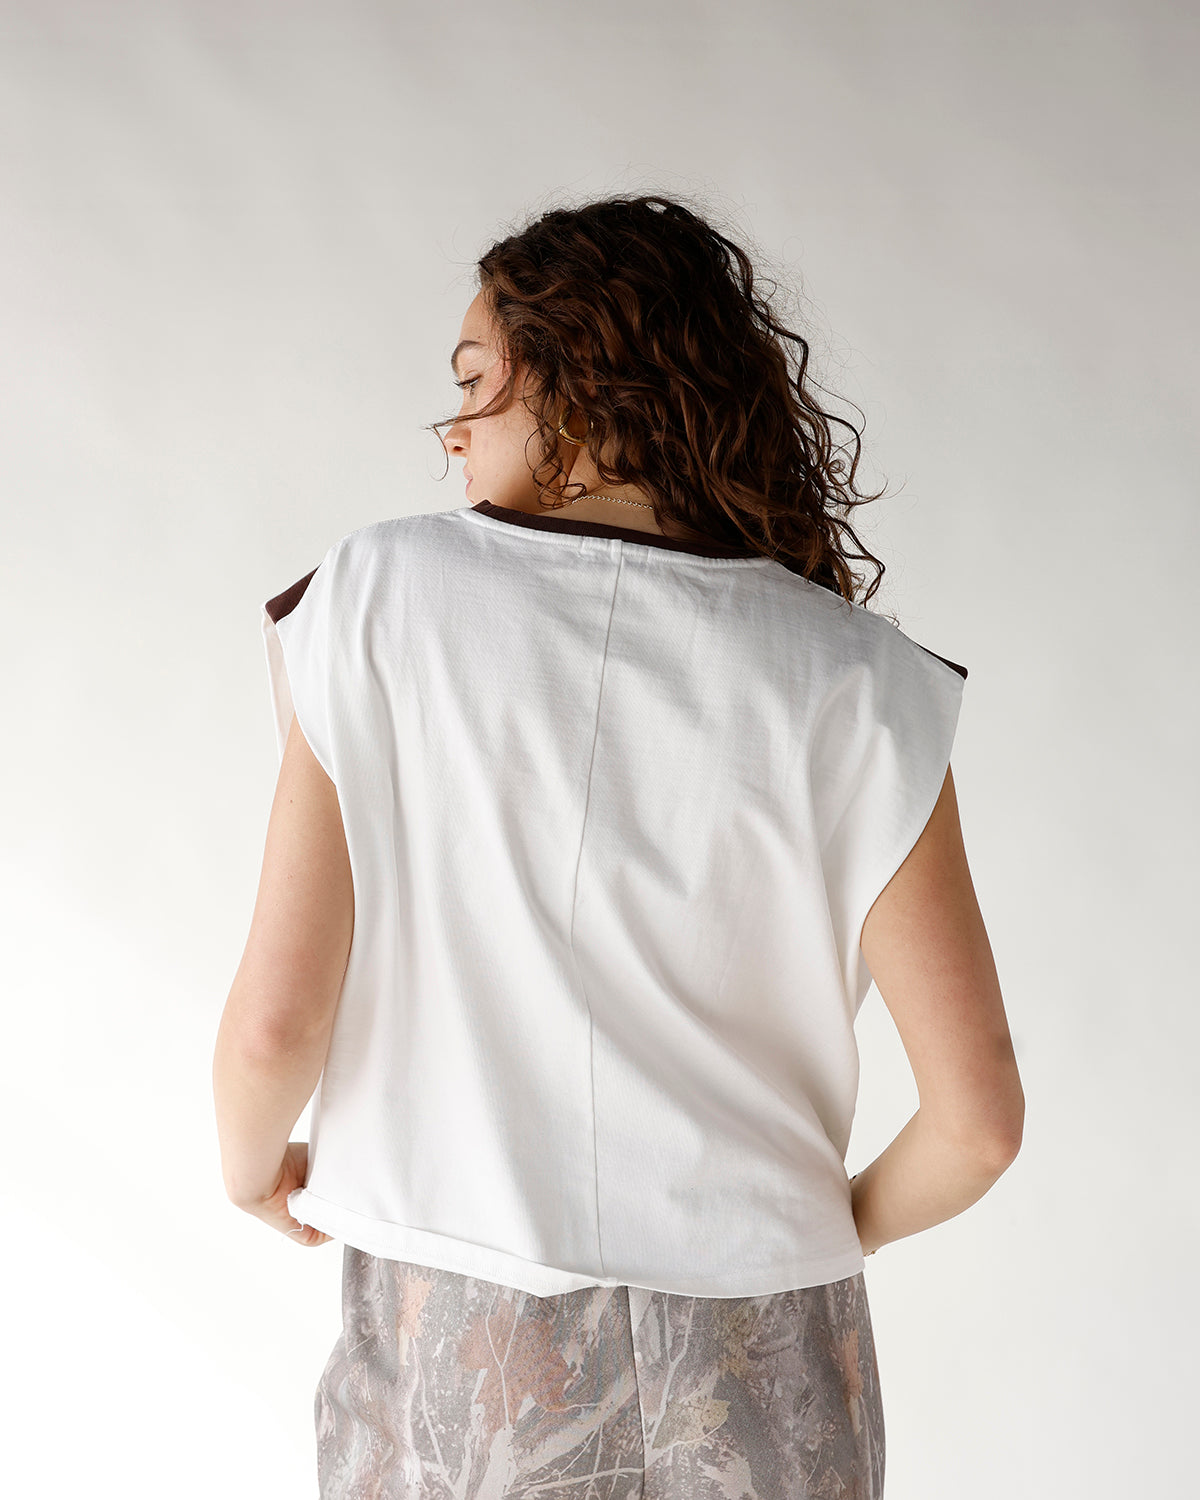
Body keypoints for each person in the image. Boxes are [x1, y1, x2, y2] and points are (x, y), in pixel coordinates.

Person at [213, 193, 1024, 1499]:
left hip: (462, 1337)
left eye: (472, 384)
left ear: (581, 394)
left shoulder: (377, 597)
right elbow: (978, 1123)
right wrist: (816, 1240)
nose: (453, 434)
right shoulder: (860, 681)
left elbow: (275, 1023)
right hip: (774, 1337)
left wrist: (252, 1168)